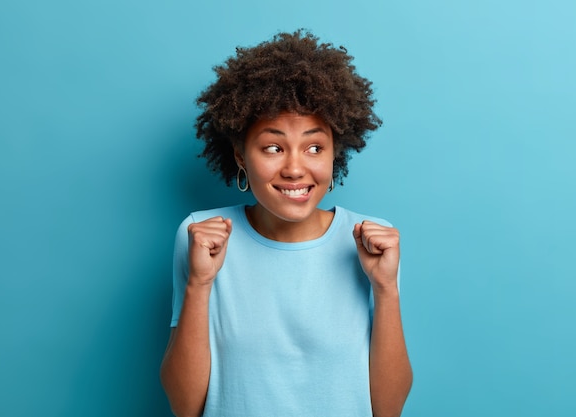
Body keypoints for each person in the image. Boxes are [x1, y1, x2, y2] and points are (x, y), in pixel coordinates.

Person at [160, 30, 412, 417]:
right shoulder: (202, 236)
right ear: (241, 156)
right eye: (273, 148)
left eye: (314, 147)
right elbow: (184, 406)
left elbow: (389, 409)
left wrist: (386, 288)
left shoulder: (371, 242)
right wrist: (199, 284)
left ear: (334, 153)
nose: (295, 169)